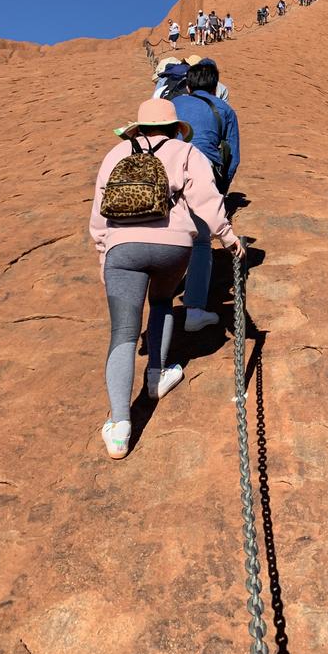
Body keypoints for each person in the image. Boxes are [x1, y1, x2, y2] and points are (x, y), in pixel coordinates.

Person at [90, 98, 243, 459]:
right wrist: (228, 236)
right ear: (176, 127)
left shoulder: (115, 154)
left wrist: (104, 256)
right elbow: (206, 197)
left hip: (122, 249)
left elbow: (99, 215)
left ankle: (120, 427)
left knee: (124, 334)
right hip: (173, 247)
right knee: (161, 302)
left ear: (138, 127)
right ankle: (157, 375)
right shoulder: (186, 152)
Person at [174, 62, 241, 331]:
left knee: (167, 231)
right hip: (205, 170)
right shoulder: (224, 109)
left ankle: (163, 298)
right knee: (202, 241)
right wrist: (220, 190)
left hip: (169, 169)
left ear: (188, 86)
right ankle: (194, 310)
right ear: (216, 87)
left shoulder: (173, 104)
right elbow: (233, 156)